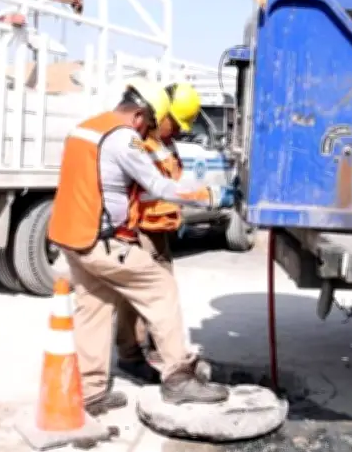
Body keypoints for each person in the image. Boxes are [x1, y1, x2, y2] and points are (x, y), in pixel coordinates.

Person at [47, 79, 233, 415]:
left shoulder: (85, 128)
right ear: (139, 115)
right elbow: (159, 186)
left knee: (94, 308)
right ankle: (178, 377)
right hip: (101, 240)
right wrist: (210, 195)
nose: (147, 131)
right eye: (147, 123)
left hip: (71, 236)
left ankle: (91, 392)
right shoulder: (123, 138)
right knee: (161, 288)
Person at [115, 82, 202, 384]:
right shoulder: (138, 143)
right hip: (141, 230)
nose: (177, 131)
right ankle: (132, 355)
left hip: (159, 230)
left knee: (160, 294)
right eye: (175, 124)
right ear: (161, 116)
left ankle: (153, 350)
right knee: (141, 294)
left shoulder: (165, 144)